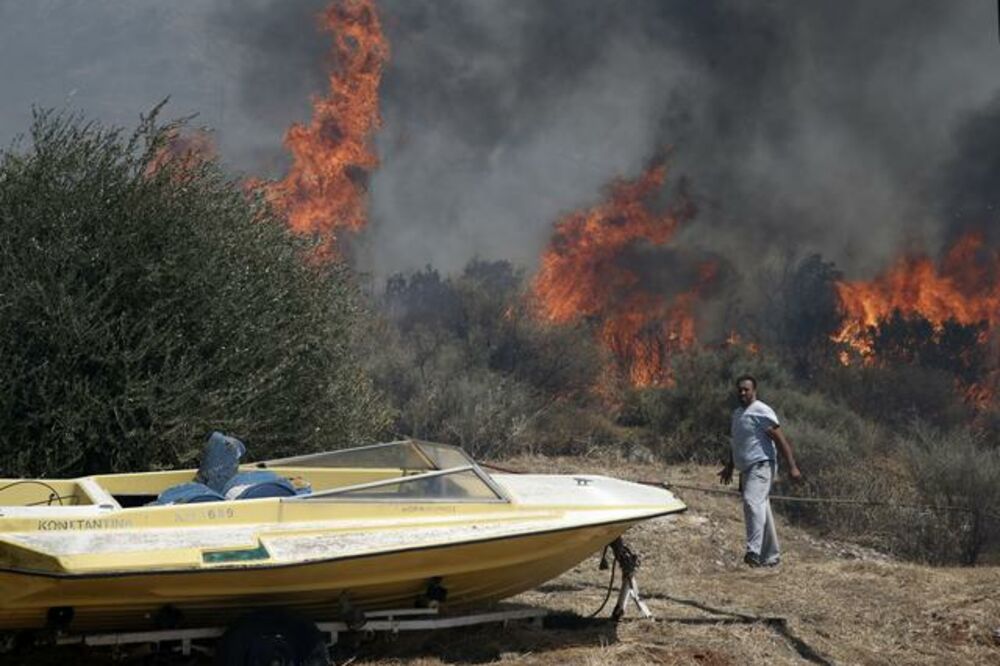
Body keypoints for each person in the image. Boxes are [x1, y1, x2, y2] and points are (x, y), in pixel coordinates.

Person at [718, 375, 802, 567]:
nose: (742, 393)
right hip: (746, 468)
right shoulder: (738, 413)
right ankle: (771, 557)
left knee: (751, 502)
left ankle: (753, 552)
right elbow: (738, 442)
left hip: (762, 465)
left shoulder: (761, 411)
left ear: (754, 391)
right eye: (739, 389)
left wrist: (792, 467)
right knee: (761, 507)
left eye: (746, 390)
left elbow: (779, 439)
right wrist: (730, 467)